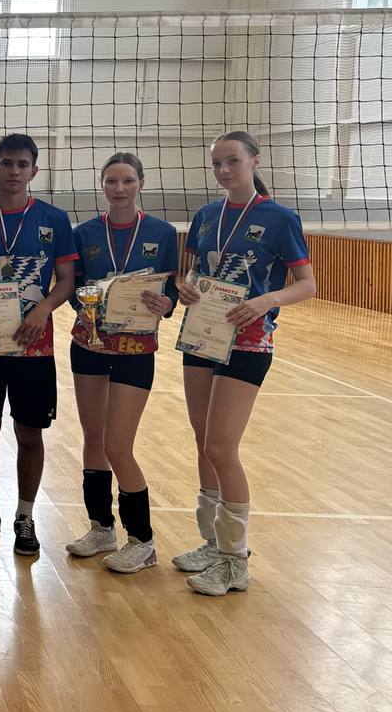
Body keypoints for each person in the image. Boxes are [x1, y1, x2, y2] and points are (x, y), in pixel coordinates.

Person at [175, 131, 315, 596]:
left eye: (232, 161)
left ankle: (235, 560)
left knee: (221, 446)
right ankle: (213, 543)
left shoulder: (280, 218)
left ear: (255, 161)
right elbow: (194, 271)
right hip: (201, 334)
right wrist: (186, 286)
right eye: (217, 163)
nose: (223, 170)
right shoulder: (205, 215)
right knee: (202, 440)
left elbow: (307, 284)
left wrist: (265, 301)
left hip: (248, 340)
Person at [0, 133, 76, 556]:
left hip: (33, 346)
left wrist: (44, 309)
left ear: (34, 171)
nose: (14, 171)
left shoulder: (54, 220)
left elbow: (67, 280)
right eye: (7, 163)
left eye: (23, 164)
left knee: (30, 433)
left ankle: (25, 516)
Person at [65, 153, 178, 573]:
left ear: (140, 183)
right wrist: (87, 302)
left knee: (117, 444)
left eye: (127, 180)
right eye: (111, 181)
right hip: (90, 344)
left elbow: (171, 289)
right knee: (93, 438)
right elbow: (74, 287)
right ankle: (101, 528)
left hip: (135, 349)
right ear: (102, 185)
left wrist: (167, 304)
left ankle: (143, 541)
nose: (119, 188)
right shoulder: (84, 233)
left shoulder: (162, 233)